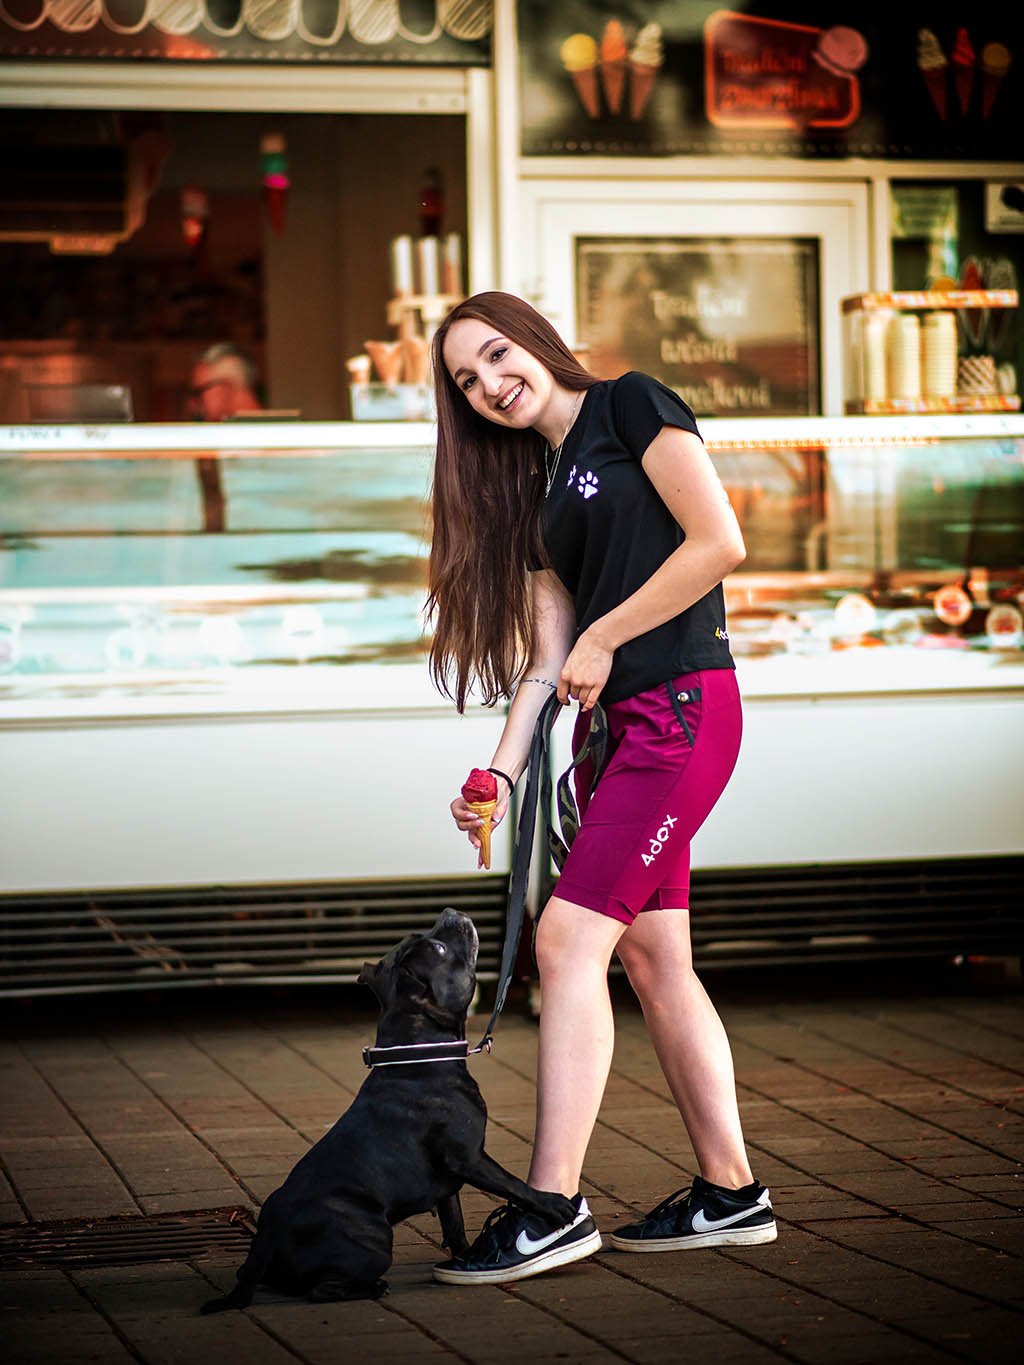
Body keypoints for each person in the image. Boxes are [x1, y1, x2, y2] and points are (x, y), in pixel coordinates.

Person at [426, 292, 776, 1287]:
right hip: (618, 732)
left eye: (497, 355)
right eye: (467, 380)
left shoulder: (630, 405)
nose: (491, 383)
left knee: (566, 940)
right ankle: (730, 1193)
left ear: (533, 340)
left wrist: (604, 635)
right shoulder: (537, 496)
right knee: (656, 958)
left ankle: (552, 1206)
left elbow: (717, 542)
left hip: (681, 712)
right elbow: (544, 664)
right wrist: (495, 771)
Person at [186, 343, 263, 532]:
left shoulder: (275, 448)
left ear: (227, 389)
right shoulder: (213, 446)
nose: (191, 405)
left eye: (198, 392)